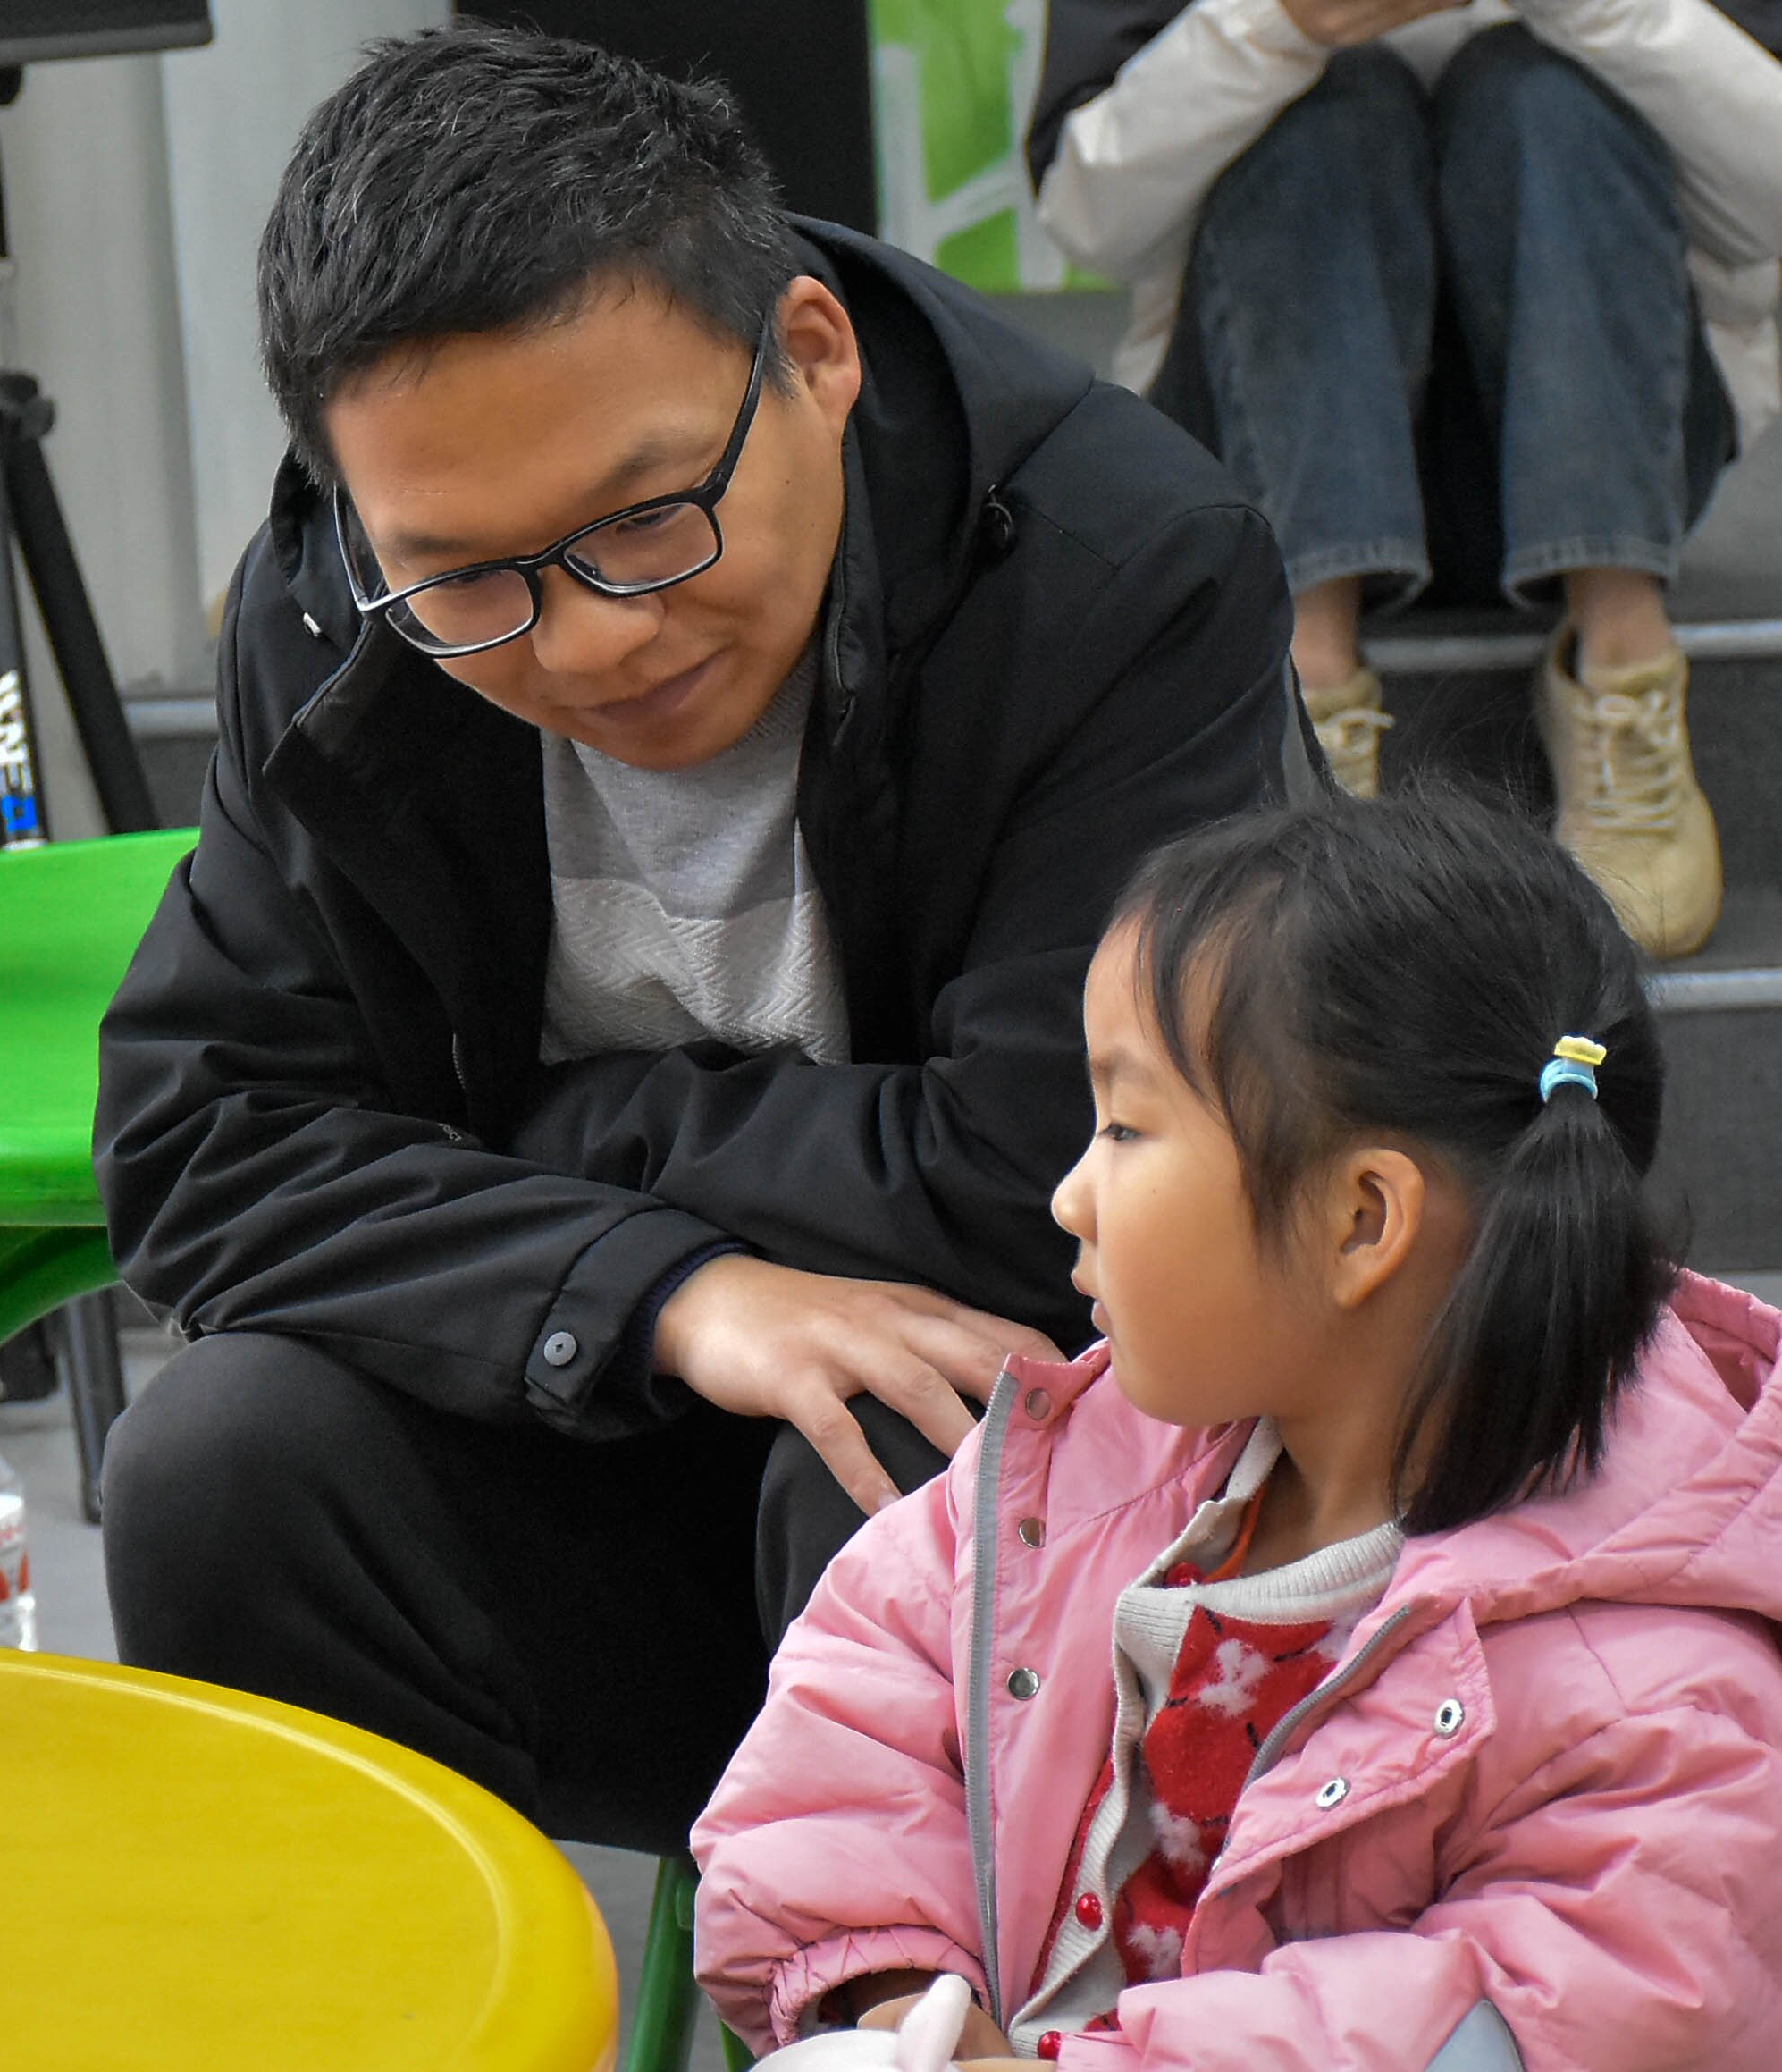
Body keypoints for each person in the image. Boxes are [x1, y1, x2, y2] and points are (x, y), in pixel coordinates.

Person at [93, 25, 1310, 1858]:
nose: (585, 641)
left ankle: (911, 1996)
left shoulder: (1112, 570)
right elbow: (201, 1142)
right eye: (465, 577)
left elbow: (1047, 1182)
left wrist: (547, 1127)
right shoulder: (342, 615)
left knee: (916, 1447)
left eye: (645, 522)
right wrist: (662, 1295)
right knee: (219, 1461)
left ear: (810, 355)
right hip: (601, 1440)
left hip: (1040, 1485)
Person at [694, 796, 1782, 2069]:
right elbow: (862, 1696)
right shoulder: (1103, 1453)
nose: (1068, 1194)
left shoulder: (1647, 1699)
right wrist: (895, 1997)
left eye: (1124, 1126)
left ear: (1360, 1220)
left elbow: (1503, 2024)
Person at [1030, 0, 1782, 955]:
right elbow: (1088, 220)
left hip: (1619, 439)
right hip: (1268, 447)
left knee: (1542, 95)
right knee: (1328, 107)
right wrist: (1279, 25)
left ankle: (1624, 669)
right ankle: (1307, 698)